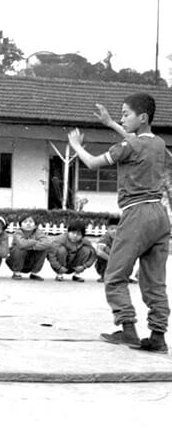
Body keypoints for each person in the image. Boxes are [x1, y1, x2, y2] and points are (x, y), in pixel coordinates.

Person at [68, 94, 170, 353]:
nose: (123, 118)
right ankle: (158, 336)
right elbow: (137, 141)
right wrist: (111, 123)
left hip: (136, 214)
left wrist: (76, 145)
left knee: (114, 276)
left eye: (126, 114)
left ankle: (128, 330)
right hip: (160, 214)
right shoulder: (159, 144)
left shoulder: (127, 147)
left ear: (142, 117)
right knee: (154, 281)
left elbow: (91, 163)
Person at [6, 214, 53, 280]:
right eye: (25, 222)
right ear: (20, 224)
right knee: (19, 249)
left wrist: (32, 247)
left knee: (44, 249)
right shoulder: (18, 233)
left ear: (34, 224)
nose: (28, 223)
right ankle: (16, 273)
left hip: (30, 261)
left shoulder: (38, 232)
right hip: (15, 262)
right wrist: (33, 242)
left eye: (31, 222)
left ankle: (34, 273)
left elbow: (47, 243)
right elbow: (21, 244)